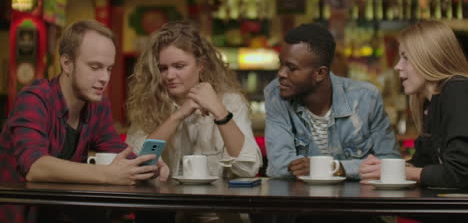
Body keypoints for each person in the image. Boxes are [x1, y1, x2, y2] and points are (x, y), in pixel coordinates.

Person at [0, 20, 169, 223]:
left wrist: (145, 165)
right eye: (95, 67)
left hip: (59, 212)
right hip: (17, 215)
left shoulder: (97, 105)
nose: (104, 78)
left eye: (109, 69)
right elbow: (35, 167)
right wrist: (107, 175)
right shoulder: (34, 98)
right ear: (67, 64)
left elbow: (115, 147)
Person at [126, 21, 262, 222]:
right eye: (163, 68)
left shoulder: (229, 101)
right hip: (175, 215)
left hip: (224, 216)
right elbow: (136, 161)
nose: (169, 75)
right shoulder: (150, 104)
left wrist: (219, 110)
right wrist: (178, 115)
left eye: (179, 66)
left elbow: (248, 168)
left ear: (201, 65)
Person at [264, 23, 400, 180]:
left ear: (320, 73)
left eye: (292, 68)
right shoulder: (276, 94)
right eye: (280, 64)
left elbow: (391, 163)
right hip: (303, 199)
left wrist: (334, 168)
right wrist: (355, 167)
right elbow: (279, 166)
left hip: (357, 200)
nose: (281, 73)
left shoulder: (366, 98)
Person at [360, 20, 468, 189]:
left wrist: (400, 172)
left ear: (430, 58)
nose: (397, 67)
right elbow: (423, 162)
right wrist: (385, 167)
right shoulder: (431, 103)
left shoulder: (457, 89)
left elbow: (459, 173)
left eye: (406, 58)